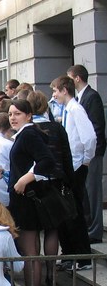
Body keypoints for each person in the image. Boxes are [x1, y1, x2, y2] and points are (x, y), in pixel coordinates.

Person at [6, 99, 56, 286]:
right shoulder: (26, 134)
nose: (12, 118)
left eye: (17, 113)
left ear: (28, 115)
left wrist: (25, 179)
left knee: (30, 253)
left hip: (26, 201)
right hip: (24, 200)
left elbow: (47, 161)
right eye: (10, 114)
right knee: (31, 251)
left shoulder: (29, 134)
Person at [27, 90, 75, 286]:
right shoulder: (56, 128)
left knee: (36, 228)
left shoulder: (27, 129)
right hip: (55, 181)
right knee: (52, 229)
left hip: (33, 182)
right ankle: (50, 272)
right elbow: (66, 157)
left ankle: (36, 270)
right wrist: (71, 181)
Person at [50, 76, 96, 271]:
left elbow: (90, 138)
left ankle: (83, 257)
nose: (53, 95)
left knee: (75, 213)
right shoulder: (67, 110)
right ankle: (72, 254)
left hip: (77, 166)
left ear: (64, 90)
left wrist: (85, 162)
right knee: (69, 213)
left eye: (55, 91)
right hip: (72, 166)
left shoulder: (76, 110)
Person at [67, 65, 106, 244]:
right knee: (86, 193)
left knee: (93, 191)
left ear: (76, 79)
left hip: (92, 154)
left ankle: (95, 230)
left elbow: (96, 128)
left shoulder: (92, 97)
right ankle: (91, 227)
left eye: (69, 78)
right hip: (83, 155)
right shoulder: (79, 98)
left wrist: (90, 155)